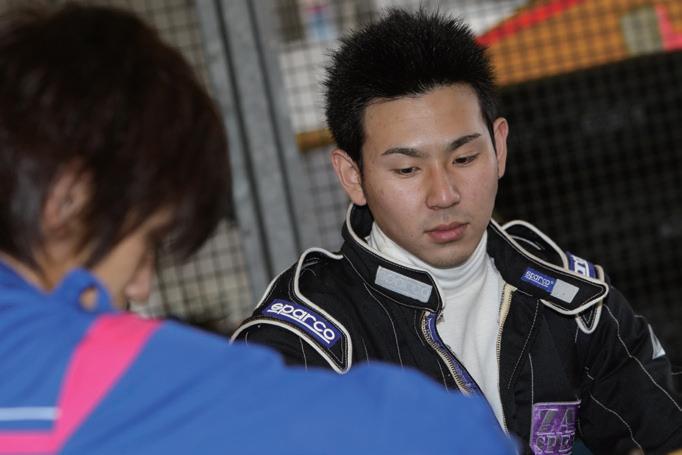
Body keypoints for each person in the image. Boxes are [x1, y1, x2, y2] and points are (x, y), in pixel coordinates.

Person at [0, 5, 516, 455]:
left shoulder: (545, 277)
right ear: (69, 199)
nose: (139, 286)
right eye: (146, 245)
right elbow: (448, 436)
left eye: (465, 158)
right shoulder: (84, 370)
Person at [232, 8, 682, 454]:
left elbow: (665, 433)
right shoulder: (306, 345)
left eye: (464, 159)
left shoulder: (573, 300)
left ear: (499, 147)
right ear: (352, 176)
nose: (444, 194)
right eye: (407, 169)